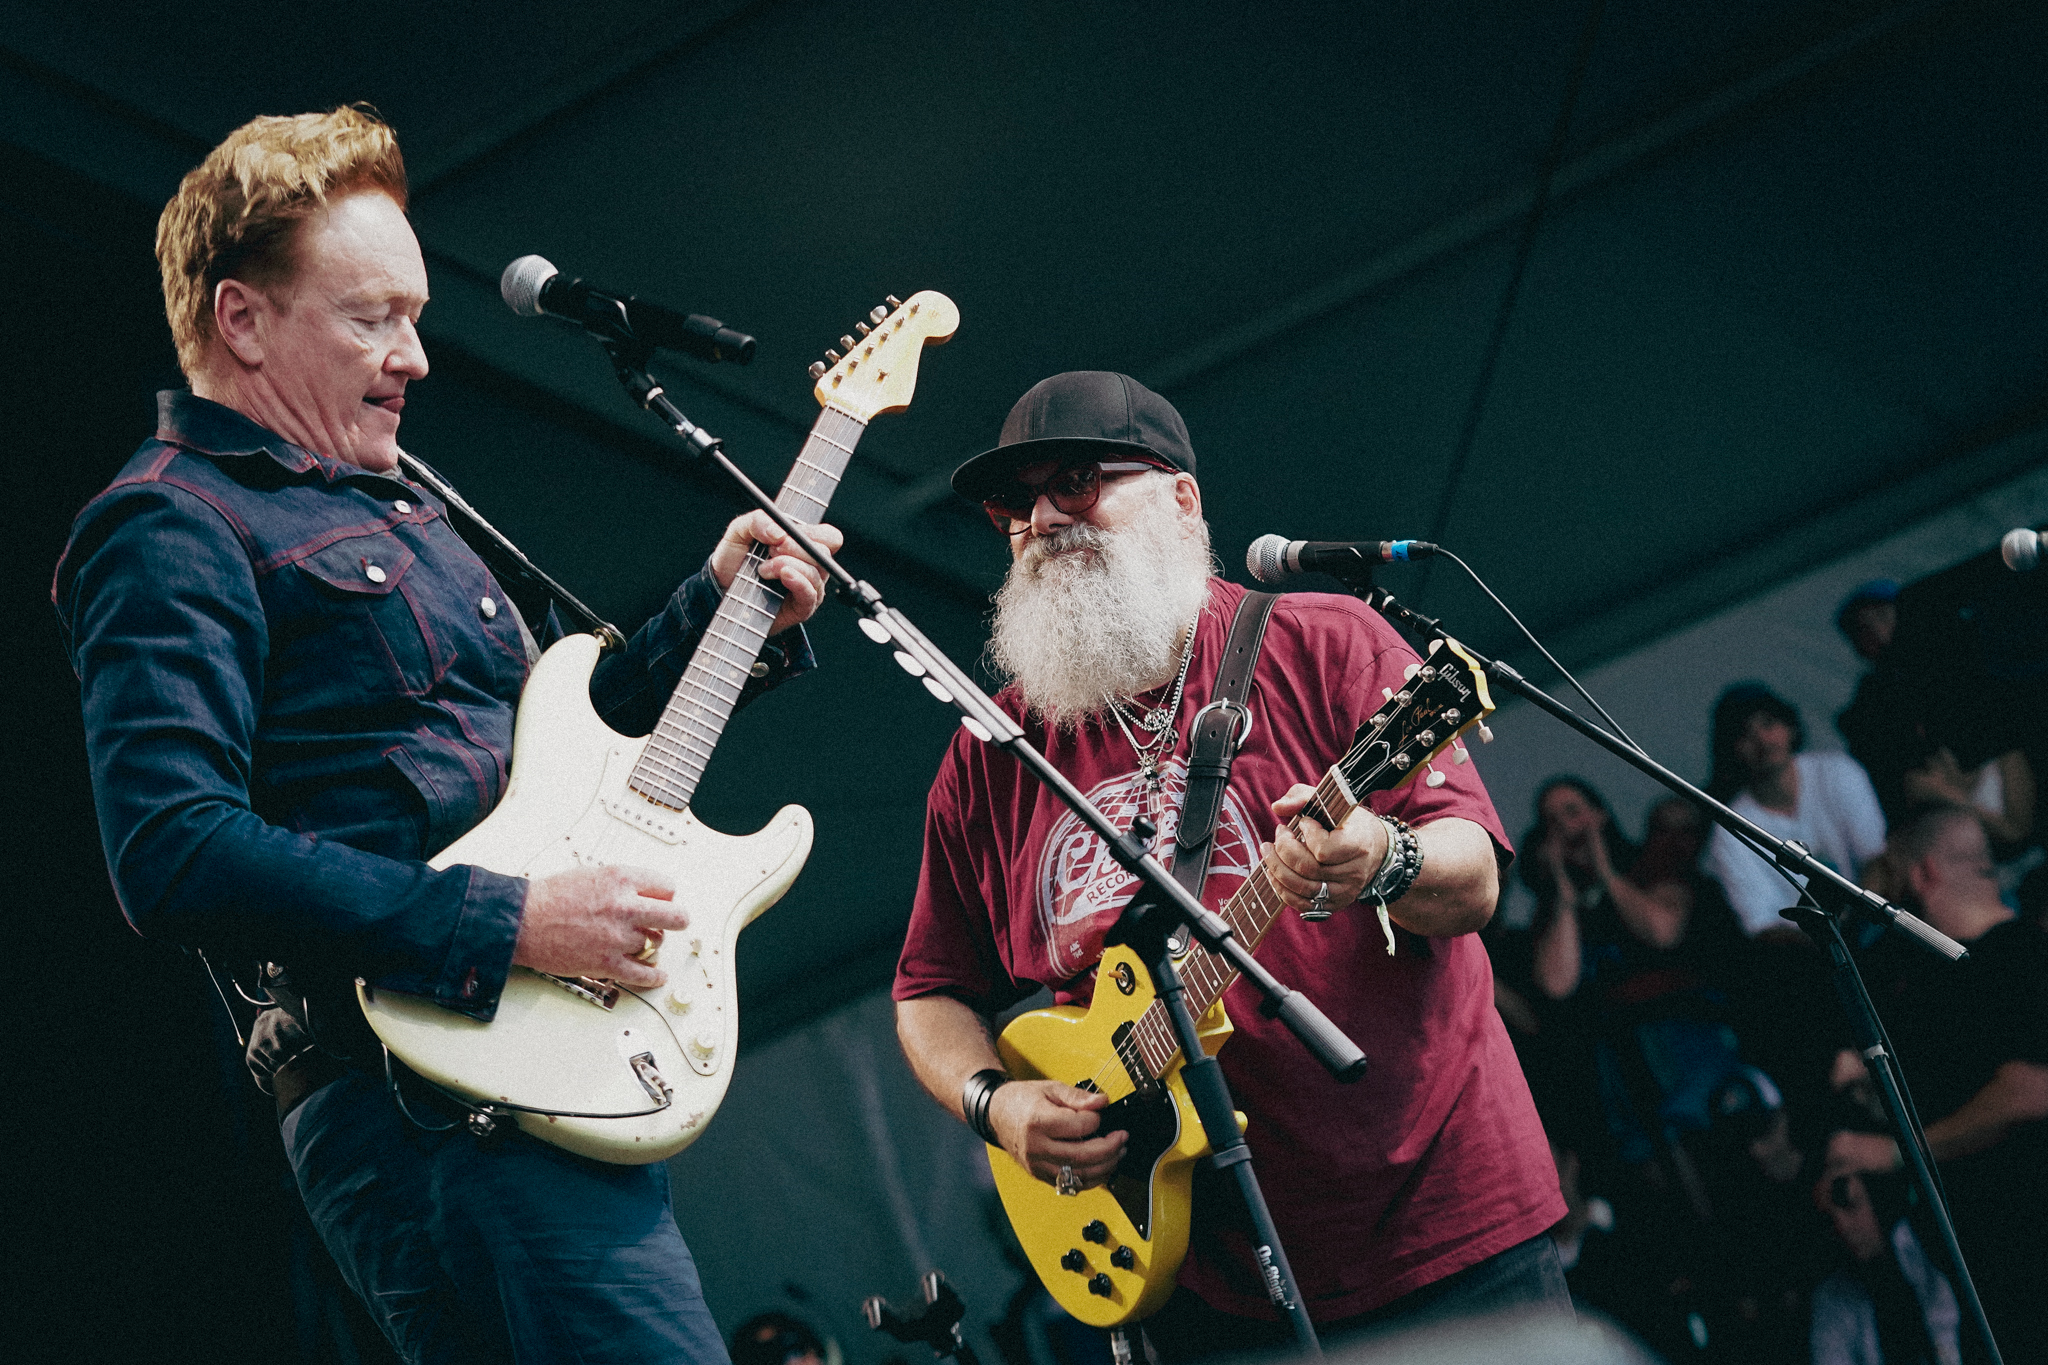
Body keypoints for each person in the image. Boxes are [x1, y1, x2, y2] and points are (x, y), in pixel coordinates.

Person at [52, 107, 842, 1364]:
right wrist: (512, 924)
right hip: (418, 1099)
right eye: (372, 316)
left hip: (530, 1065)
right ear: (242, 318)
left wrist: (720, 610)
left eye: (415, 315)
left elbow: (564, 774)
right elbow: (172, 847)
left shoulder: (414, 500)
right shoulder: (170, 524)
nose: (415, 355)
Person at [891, 371, 1566, 1356]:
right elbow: (927, 993)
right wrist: (995, 1104)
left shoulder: (1324, 640)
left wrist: (1379, 855)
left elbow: (1472, 880)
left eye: (1075, 481)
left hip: (1435, 1228)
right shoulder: (992, 753)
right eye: (1014, 504)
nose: (1040, 519)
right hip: (1201, 1276)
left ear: (1180, 495)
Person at [1824, 804, 2048, 1362]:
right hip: (1981, 1257)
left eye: (1897, 879)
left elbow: (2030, 1089)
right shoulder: (1932, 980)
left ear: (1922, 875)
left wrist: (1896, 1152)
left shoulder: (2022, 954)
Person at [1705, 685, 1886, 937]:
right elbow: (1763, 928)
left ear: (1790, 727)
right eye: (1745, 734)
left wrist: (1856, 924)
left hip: (1875, 925)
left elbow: (1877, 860)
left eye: (1768, 724)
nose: (1762, 741)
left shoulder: (1837, 771)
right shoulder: (1730, 831)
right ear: (1731, 750)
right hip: (1810, 956)